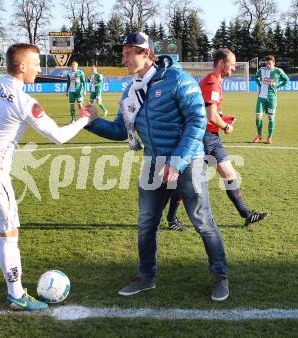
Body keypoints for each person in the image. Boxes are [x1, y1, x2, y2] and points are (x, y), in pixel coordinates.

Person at [85, 32, 229, 301]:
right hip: (153, 162)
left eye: (129, 53)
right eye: (124, 53)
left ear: (146, 53)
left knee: (202, 221)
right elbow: (120, 130)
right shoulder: (131, 89)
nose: (124, 58)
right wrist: (93, 122)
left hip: (188, 161)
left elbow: (197, 122)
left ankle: (220, 275)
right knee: (146, 222)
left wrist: (178, 160)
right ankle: (146, 276)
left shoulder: (178, 79)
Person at [0, 43, 91, 311]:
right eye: (37, 64)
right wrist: (85, 118)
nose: (40, 69)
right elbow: (60, 137)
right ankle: (16, 294)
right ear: (23, 66)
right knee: (9, 233)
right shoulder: (24, 101)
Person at [166, 49, 268, 228]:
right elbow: (211, 116)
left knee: (230, 175)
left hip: (211, 136)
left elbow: (211, 113)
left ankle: (246, 214)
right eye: (232, 64)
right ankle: (172, 219)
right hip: (203, 137)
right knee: (189, 181)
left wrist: (224, 118)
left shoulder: (215, 81)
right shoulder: (212, 82)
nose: (234, 67)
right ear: (221, 63)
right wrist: (226, 126)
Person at [253, 55, 290, 144]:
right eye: (266, 63)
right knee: (258, 116)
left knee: (271, 117)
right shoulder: (262, 70)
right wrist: (259, 84)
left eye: (269, 63)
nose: (268, 65)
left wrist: (278, 87)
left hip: (272, 98)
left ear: (274, 63)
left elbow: (286, 80)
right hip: (261, 97)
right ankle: (259, 135)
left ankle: (269, 137)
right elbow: (256, 77)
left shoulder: (278, 71)